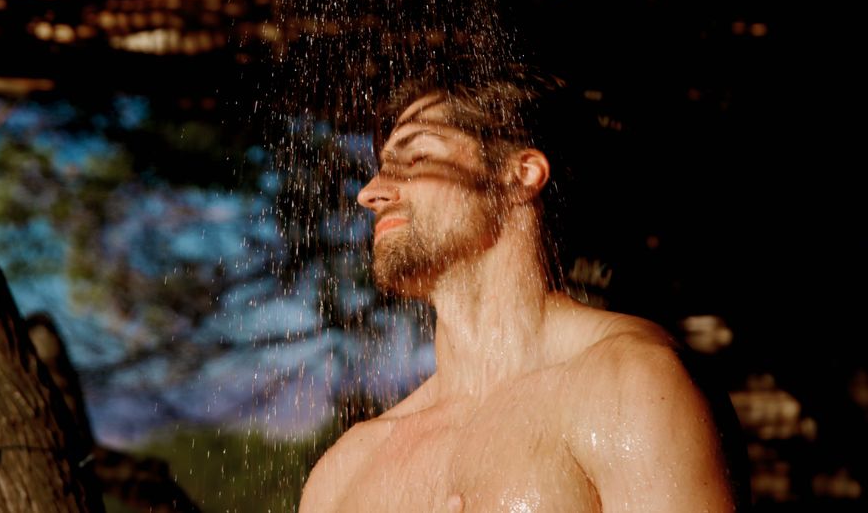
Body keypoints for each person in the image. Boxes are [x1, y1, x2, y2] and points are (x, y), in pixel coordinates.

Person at [298, 71, 741, 512]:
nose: (371, 193)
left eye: (415, 160)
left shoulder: (632, 387)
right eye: (380, 169)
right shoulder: (346, 470)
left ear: (520, 176)